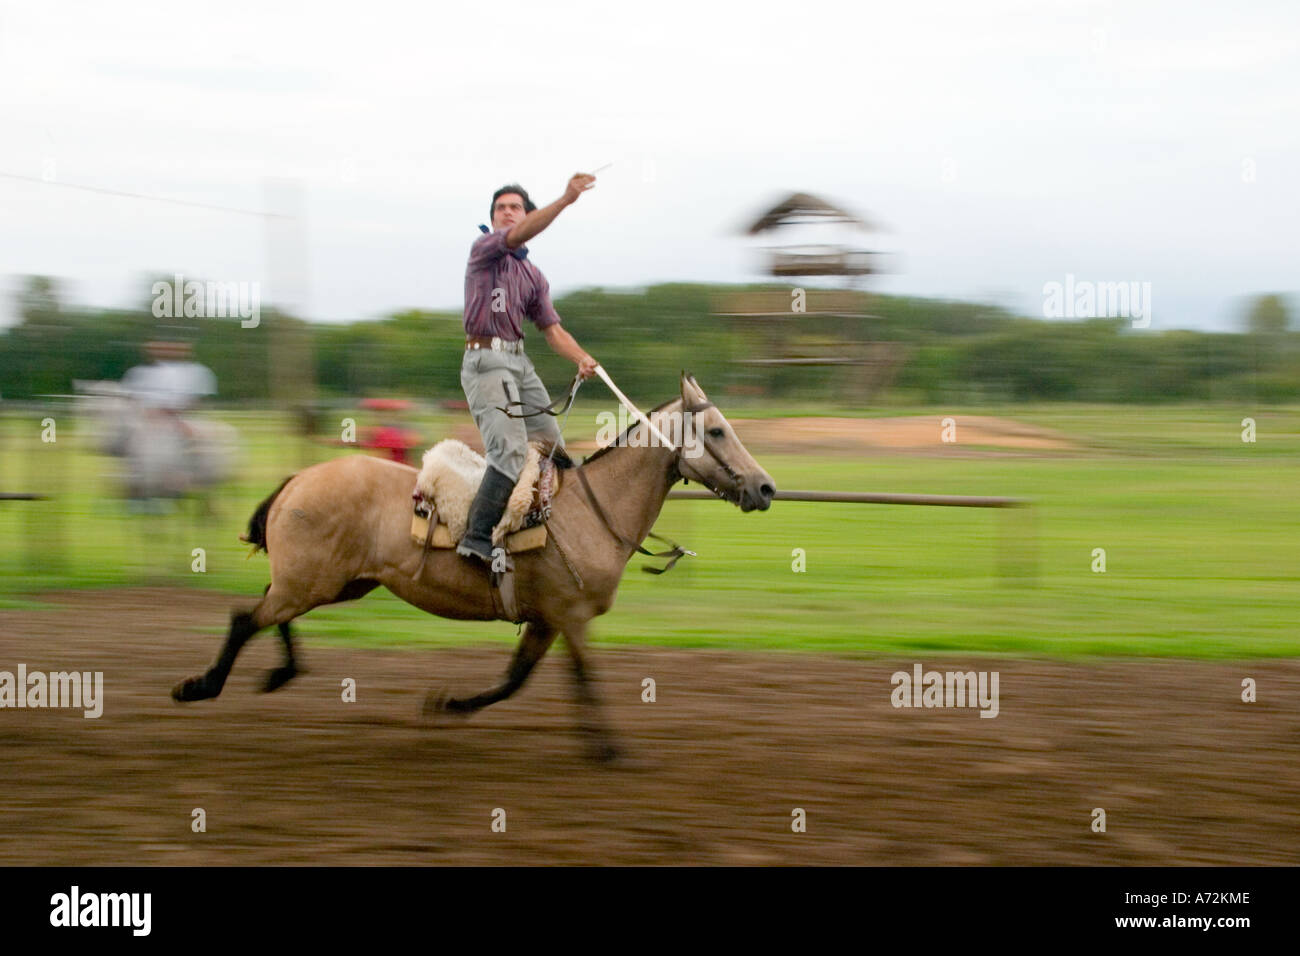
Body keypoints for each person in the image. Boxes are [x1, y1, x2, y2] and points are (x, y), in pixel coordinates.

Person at [456, 175, 600, 564]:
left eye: (515, 207)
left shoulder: (534, 276)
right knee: (510, 451)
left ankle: (543, 526)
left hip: (520, 362)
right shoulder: (485, 248)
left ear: (527, 214)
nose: (506, 212)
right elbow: (516, 235)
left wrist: (582, 358)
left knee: (554, 449)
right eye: (500, 207)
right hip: (486, 361)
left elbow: (553, 331)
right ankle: (476, 536)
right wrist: (567, 199)